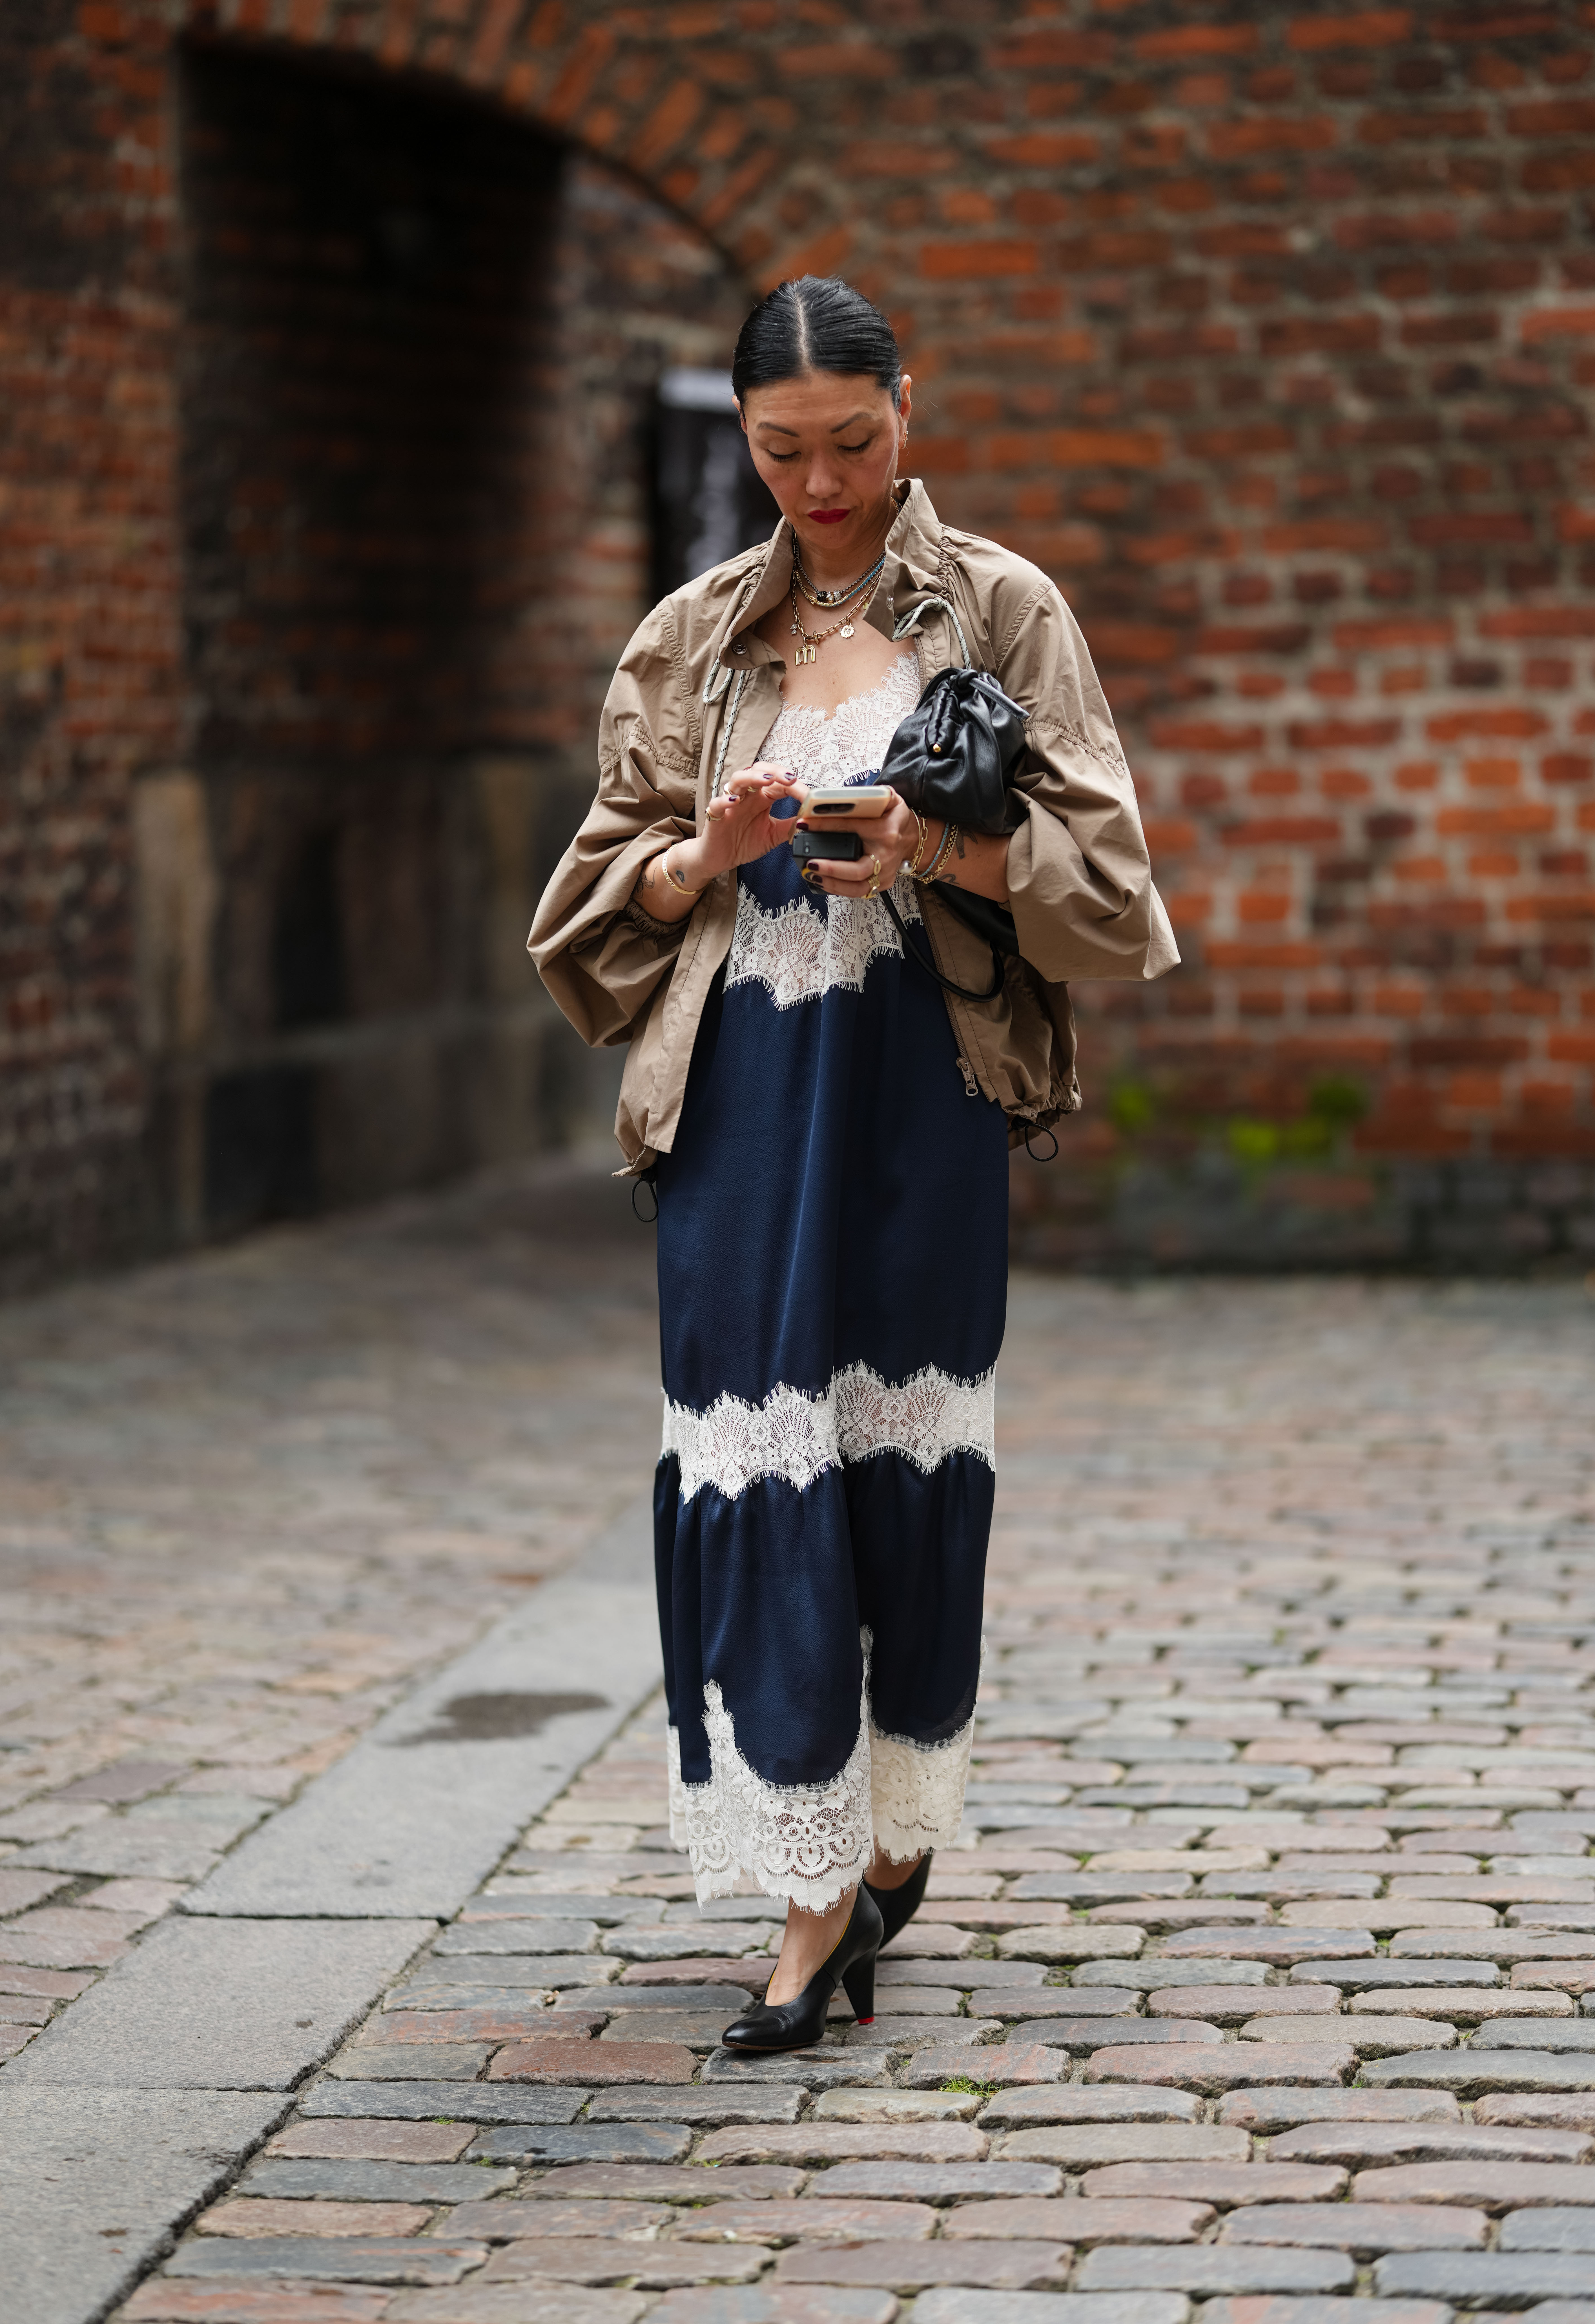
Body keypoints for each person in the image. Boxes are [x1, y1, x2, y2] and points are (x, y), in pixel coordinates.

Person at [530, 277, 1176, 2050]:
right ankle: (812, 1897)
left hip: (923, 1097)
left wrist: (943, 851)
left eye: (854, 441)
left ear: (912, 412)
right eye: (781, 449)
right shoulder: (691, 640)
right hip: (740, 1104)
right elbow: (581, 916)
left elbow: (1119, 898)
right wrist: (700, 858)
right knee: (758, 1456)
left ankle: (884, 1833)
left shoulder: (1005, 612)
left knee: (896, 1461)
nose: (820, 481)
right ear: (745, 440)